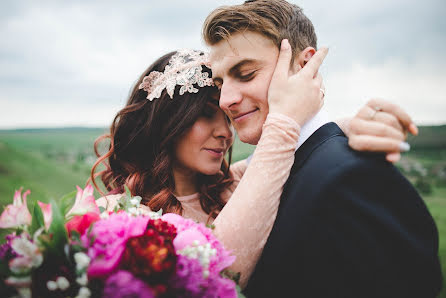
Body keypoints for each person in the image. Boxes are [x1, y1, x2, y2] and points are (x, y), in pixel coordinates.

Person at [92, 49, 420, 289]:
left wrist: (360, 123)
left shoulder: (231, 184)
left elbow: (293, 151)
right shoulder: (118, 218)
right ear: (166, 121)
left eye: (227, 116)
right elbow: (215, 277)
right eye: (206, 114)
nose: (225, 132)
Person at [202, 0, 443, 297]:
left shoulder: (353, 178)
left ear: (305, 66)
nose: (225, 99)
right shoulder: (258, 176)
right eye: (220, 82)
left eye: (247, 73)